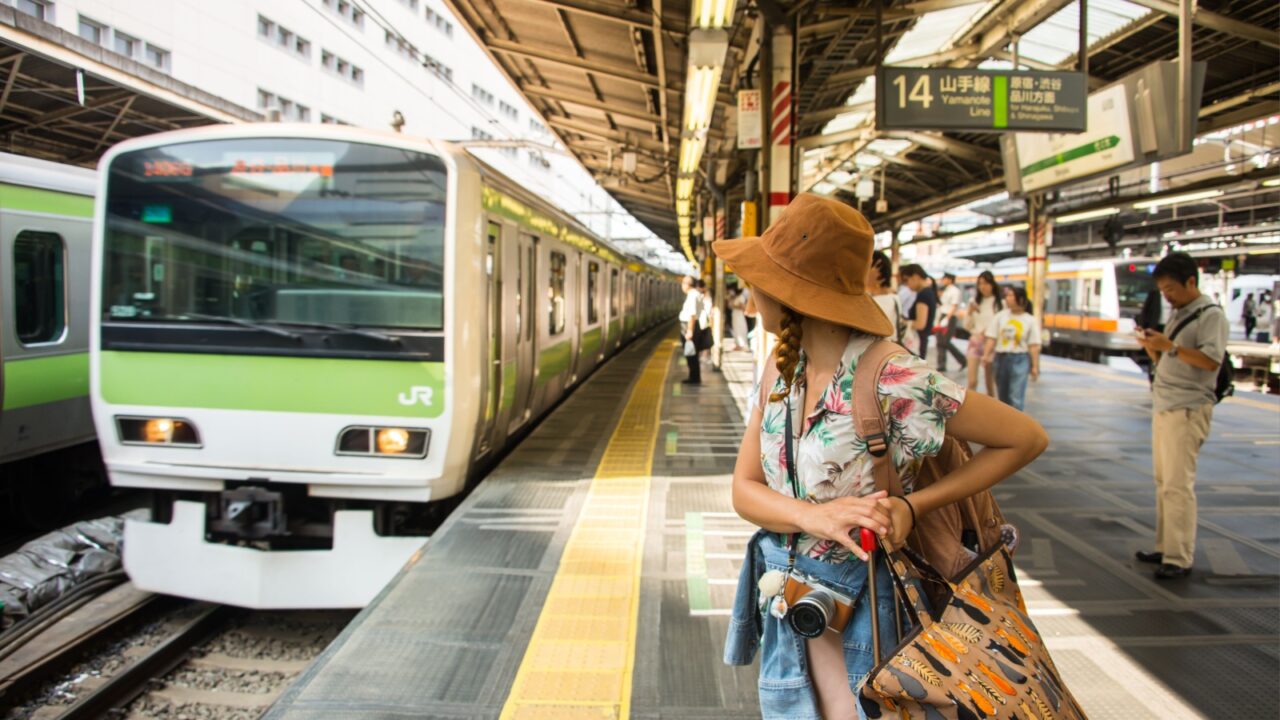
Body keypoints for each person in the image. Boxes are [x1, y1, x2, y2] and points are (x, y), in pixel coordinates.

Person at [714, 193, 1049, 720]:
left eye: (761, 280)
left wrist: (914, 507)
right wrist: (813, 517)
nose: (751, 293)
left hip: (870, 609)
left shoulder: (891, 377)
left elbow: (1024, 437)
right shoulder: (781, 372)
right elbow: (744, 490)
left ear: (793, 292)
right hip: (788, 604)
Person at [1135, 253, 1228, 580]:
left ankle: (1179, 556)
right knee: (1164, 482)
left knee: (1178, 484)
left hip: (1188, 408)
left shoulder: (1210, 315)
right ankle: (1165, 546)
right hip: (1166, 403)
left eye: (1171, 289)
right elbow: (1166, 358)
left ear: (1192, 281)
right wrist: (1153, 346)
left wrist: (1170, 346)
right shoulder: (1180, 312)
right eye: (1162, 290)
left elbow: (1210, 361)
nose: (1167, 296)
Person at [982, 286, 1041, 412]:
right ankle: (1005, 427)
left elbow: (1033, 345)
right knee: (1003, 398)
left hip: (1020, 359)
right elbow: (992, 337)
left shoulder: (1030, 320)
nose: (1007, 299)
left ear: (1021, 299)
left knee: (1016, 397)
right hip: (1001, 358)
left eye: (1011, 296)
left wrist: (1035, 366)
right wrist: (986, 355)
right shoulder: (1000, 316)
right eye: (1007, 296)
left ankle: (1016, 429)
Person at [965, 270, 1002, 396]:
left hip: (991, 344)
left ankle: (992, 412)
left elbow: (1001, 324)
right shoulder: (974, 302)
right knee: (972, 381)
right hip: (975, 341)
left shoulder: (999, 303)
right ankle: (969, 409)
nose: (982, 287)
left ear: (992, 284)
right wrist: (969, 312)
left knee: (989, 383)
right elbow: (967, 326)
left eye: (986, 283)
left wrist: (989, 331)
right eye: (980, 284)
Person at [900, 264, 937, 362]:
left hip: (917, 342)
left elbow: (920, 324)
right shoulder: (927, 292)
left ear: (916, 276)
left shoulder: (924, 294)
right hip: (920, 341)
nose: (907, 285)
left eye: (907, 280)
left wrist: (902, 321)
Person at [935, 273, 968, 373]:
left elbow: (954, 306)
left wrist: (947, 319)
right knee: (939, 341)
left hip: (949, 317)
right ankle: (941, 365)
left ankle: (962, 360)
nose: (943, 280)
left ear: (949, 279)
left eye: (944, 278)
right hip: (942, 316)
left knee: (945, 341)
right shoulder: (945, 290)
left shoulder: (955, 291)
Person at [866, 251, 902, 342]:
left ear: (877, 269)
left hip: (876, 351)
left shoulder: (882, 302)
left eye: (866, 267)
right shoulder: (893, 296)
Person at [679, 276, 704, 384]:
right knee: (692, 353)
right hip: (693, 326)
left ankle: (694, 378)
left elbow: (692, 315)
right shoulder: (695, 294)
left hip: (690, 327)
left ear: (687, 284)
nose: (682, 286)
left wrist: (689, 331)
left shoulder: (692, 295)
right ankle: (694, 377)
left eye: (683, 283)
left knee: (691, 354)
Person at [730, 285, 750, 351]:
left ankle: (741, 344)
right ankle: (738, 344)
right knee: (736, 329)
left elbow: (743, 307)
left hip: (739, 315)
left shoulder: (741, 297)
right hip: (735, 315)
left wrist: (735, 306)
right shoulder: (736, 297)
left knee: (740, 329)